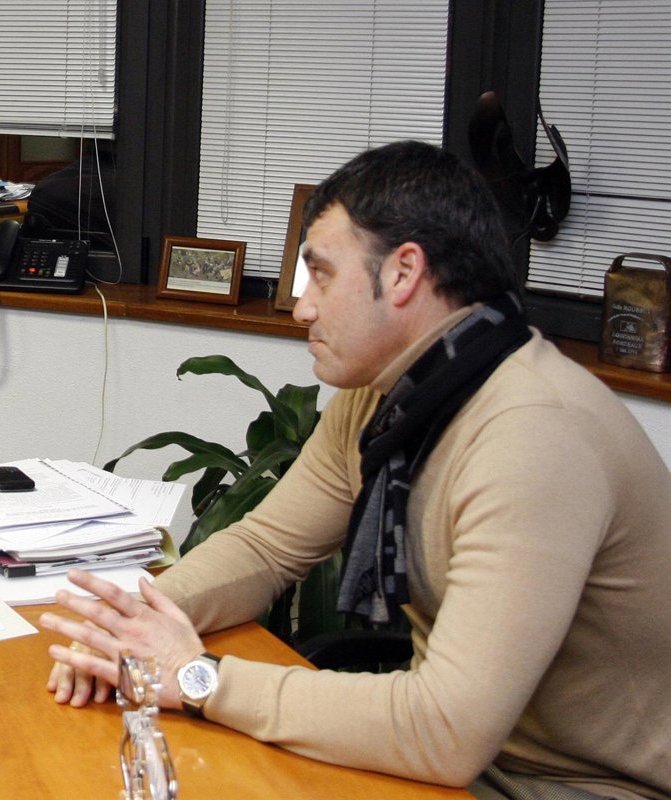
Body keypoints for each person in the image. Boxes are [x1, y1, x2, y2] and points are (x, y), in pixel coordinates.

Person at [41, 141, 671, 799]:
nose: (303, 307)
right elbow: (265, 548)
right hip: (471, 760)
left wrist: (199, 677)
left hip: (584, 785)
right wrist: (128, 629)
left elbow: (447, 730)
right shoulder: (390, 396)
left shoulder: (533, 434)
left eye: (321, 275)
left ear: (403, 273)